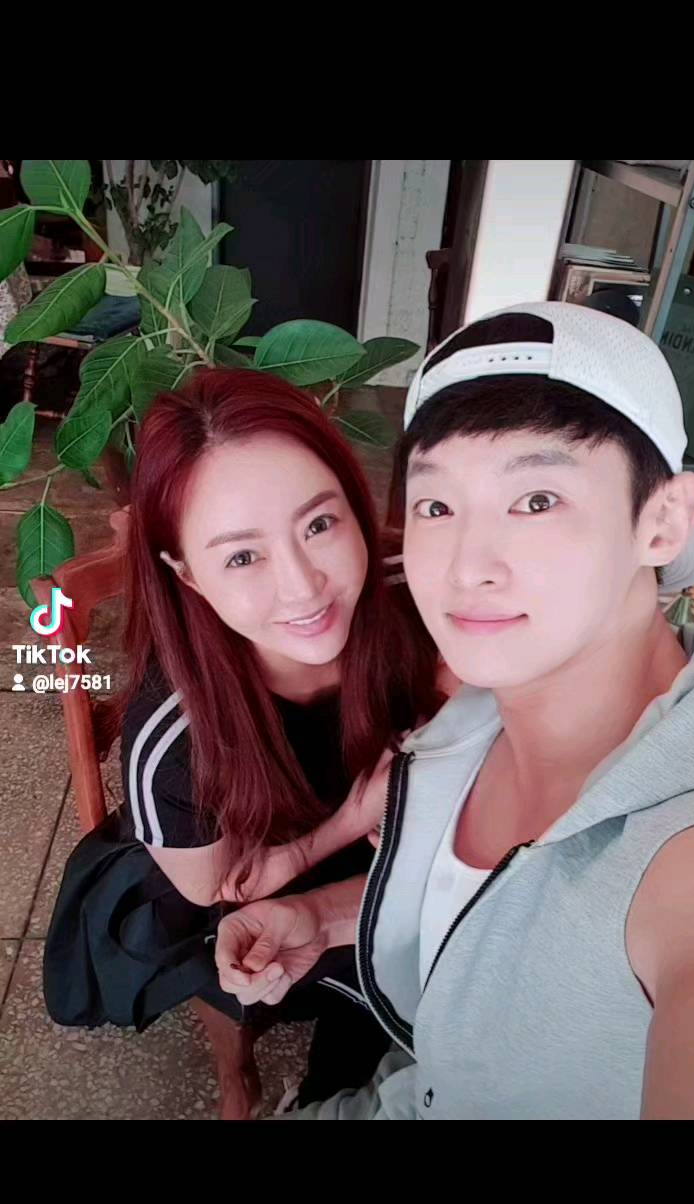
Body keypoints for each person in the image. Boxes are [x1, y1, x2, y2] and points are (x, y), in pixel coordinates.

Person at [216, 302, 694, 1120]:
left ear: (661, 521)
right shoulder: (476, 714)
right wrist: (319, 914)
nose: (465, 567)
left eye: (537, 499)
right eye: (437, 506)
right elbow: (510, 905)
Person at [44, 367, 444, 1119]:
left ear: (355, 507)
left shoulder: (421, 598)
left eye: (319, 525)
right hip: (232, 861)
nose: (303, 587)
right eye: (241, 556)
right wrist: (348, 823)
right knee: (224, 953)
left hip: (378, 845)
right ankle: (239, 1077)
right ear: (188, 574)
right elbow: (217, 888)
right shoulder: (174, 735)